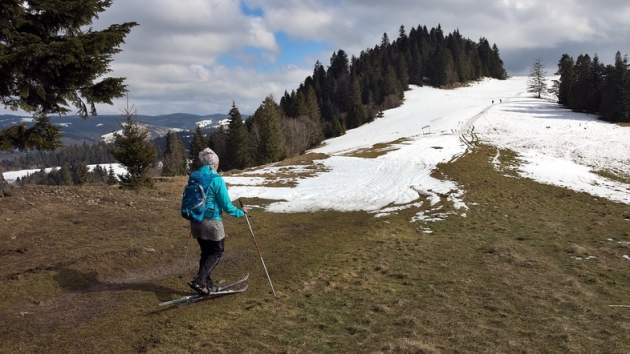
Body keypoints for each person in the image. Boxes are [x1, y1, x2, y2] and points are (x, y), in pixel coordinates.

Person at [187, 148, 248, 295]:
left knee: (206, 253)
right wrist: (241, 212)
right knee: (217, 252)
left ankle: (206, 285)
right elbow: (226, 205)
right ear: (215, 164)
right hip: (211, 222)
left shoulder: (194, 177)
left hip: (195, 220)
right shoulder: (217, 180)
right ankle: (200, 281)